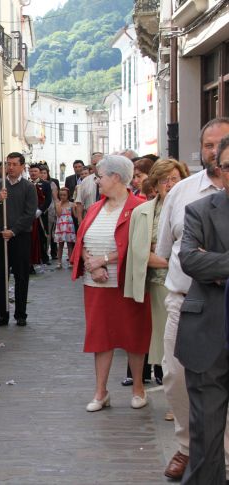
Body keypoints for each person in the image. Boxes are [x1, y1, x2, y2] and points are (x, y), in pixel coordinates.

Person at [155, 118, 229, 481]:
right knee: (177, 380)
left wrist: (211, 262)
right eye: (209, 146)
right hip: (188, 304)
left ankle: (219, 454)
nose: (215, 153)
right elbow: (178, 255)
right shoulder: (184, 194)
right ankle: (188, 448)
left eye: (222, 146)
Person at [71, 155, 151, 412]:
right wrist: (90, 264)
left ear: (116, 177)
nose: (97, 181)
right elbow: (81, 239)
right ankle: (100, 391)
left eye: (100, 176)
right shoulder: (95, 207)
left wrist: (103, 260)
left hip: (125, 281)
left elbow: (136, 245)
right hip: (95, 284)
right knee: (100, 337)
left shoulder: (139, 206)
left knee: (133, 334)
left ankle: (139, 387)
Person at [124, 159, 186, 391]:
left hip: (186, 287)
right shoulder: (142, 212)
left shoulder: (194, 207)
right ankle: (173, 397)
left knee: (180, 346)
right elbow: (139, 253)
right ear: (155, 184)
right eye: (163, 180)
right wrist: (173, 260)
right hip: (156, 286)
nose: (169, 185)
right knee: (163, 345)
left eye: (174, 179)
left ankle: (178, 398)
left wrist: (165, 259)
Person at [0, 152, 38, 327]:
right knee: (0, 276)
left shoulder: (28, 187)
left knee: (21, 276)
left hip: (20, 237)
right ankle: (2, 314)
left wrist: (14, 230)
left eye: (13, 164)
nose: (10, 167)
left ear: (22, 166)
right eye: (7, 164)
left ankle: (20, 313)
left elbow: (30, 213)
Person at [28, 163, 52, 266]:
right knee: (30, 238)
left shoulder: (45, 184)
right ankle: (31, 259)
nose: (33, 173)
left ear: (39, 173)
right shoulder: (26, 183)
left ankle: (44, 256)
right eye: (31, 171)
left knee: (42, 236)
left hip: (41, 216)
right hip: (28, 216)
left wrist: (40, 210)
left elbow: (48, 200)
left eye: (35, 171)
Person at [53, 187, 76, 269]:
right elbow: (58, 214)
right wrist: (59, 205)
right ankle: (59, 262)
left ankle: (70, 261)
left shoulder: (71, 204)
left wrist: (76, 207)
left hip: (69, 226)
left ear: (68, 195)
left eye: (64, 195)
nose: (62, 197)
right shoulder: (58, 204)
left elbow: (75, 215)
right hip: (61, 226)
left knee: (70, 245)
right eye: (61, 195)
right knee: (60, 245)